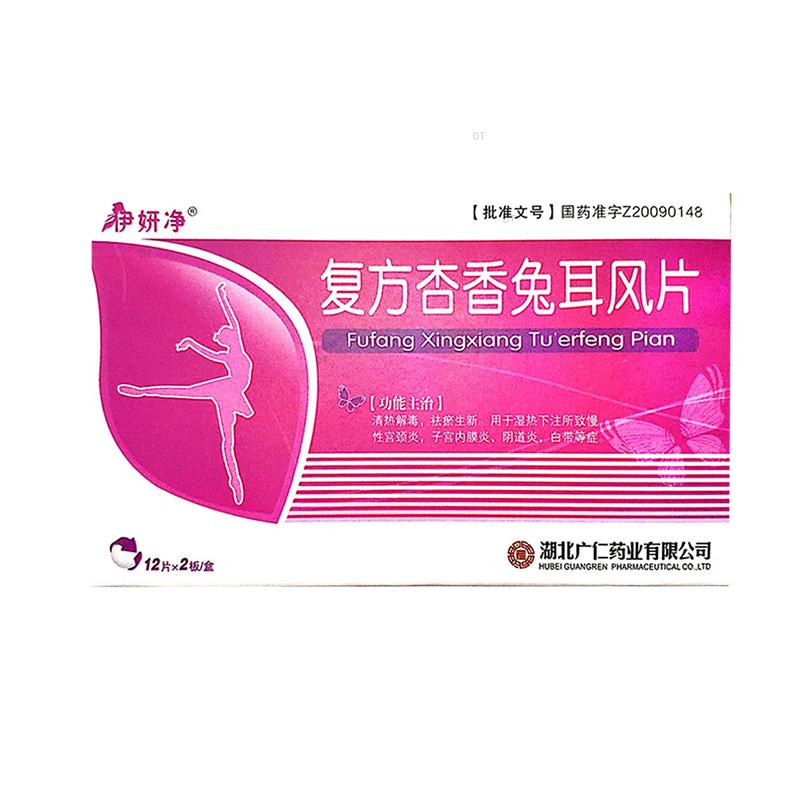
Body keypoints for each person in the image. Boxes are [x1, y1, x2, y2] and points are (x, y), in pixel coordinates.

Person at [118, 282, 253, 505]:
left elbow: (233, 320)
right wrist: (190, 343)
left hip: (229, 389)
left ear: (229, 336)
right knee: (226, 438)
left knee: (188, 393)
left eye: (221, 333)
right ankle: (235, 481)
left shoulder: (236, 348)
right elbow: (206, 352)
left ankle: (141, 391)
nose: (218, 336)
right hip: (228, 392)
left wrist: (222, 296)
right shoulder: (226, 355)